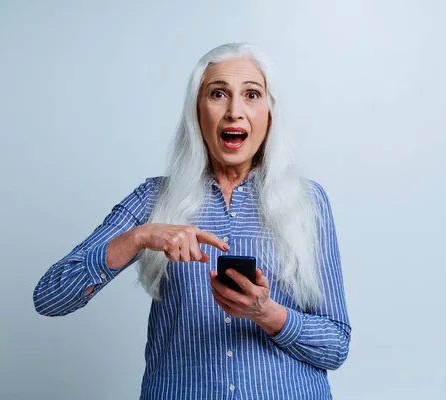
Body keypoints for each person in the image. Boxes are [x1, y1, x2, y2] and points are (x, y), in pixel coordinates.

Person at [33, 42, 351, 399]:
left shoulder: (307, 202)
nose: (234, 111)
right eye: (218, 94)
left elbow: (336, 346)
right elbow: (50, 297)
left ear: (270, 113)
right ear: (197, 112)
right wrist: (138, 237)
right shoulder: (152, 200)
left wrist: (267, 314)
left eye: (251, 94)